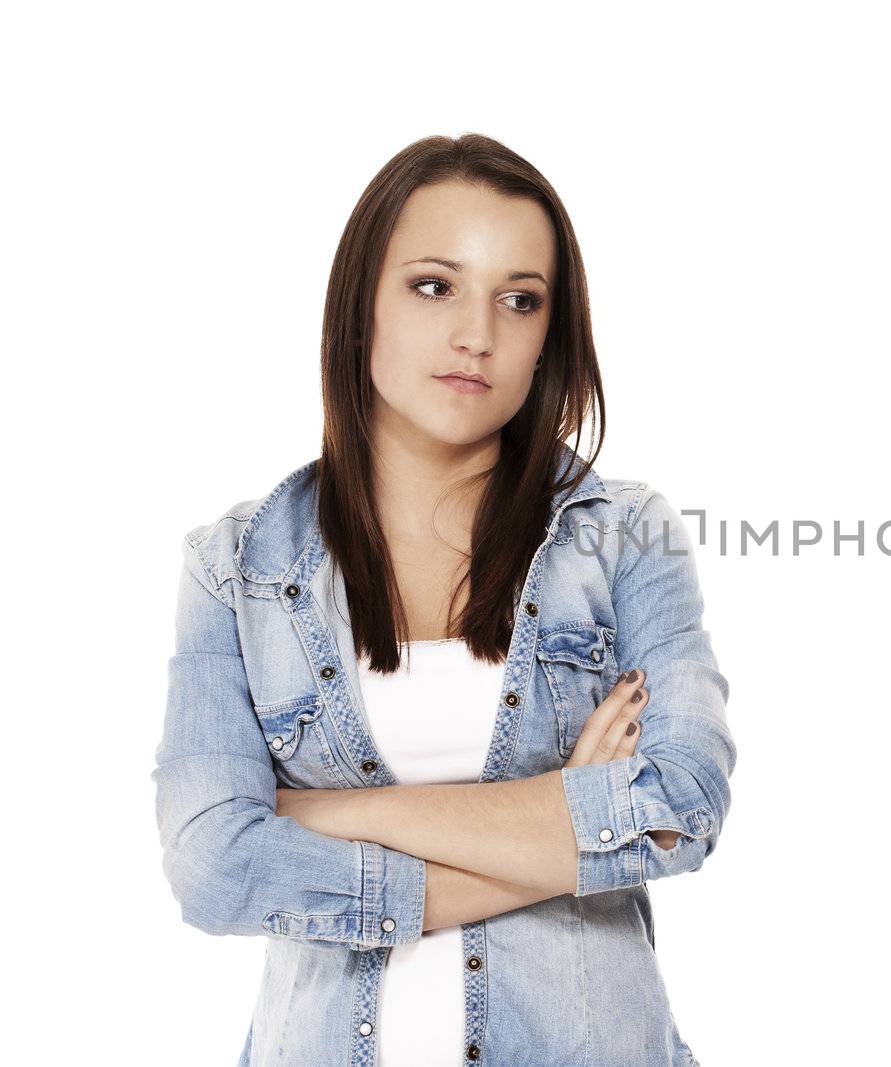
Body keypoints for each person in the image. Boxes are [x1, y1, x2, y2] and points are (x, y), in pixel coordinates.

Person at [152, 133, 734, 1067]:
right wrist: (566, 817)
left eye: (520, 299)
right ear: (359, 306)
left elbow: (683, 803)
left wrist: (322, 813)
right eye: (435, 285)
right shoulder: (235, 567)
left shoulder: (625, 534)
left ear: (552, 332)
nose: (478, 334)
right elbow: (214, 868)